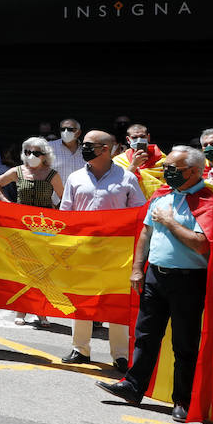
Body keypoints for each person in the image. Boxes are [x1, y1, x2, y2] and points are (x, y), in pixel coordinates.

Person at [97, 146, 213, 422]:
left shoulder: (207, 200)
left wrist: (170, 222)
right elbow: (145, 233)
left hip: (188, 280)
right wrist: (137, 269)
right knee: (145, 335)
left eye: (173, 168)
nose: (167, 172)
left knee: (184, 342)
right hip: (155, 275)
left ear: (193, 171)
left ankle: (182, 399)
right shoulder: (162, 194)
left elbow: (201, 244)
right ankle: (133, 385)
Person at [59, 130, 145, 370]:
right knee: (81, 300)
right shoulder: (75, 178)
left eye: (88, 145)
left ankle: (120, 355)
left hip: (116, 253)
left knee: (116, 302)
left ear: (105, 149)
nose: (83, 148)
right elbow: (66, 213)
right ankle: (80, 349)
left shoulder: (128, 179)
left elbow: (138, 214)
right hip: (82, 250)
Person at [0, 137, 64, 326]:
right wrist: (8, 204)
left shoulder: (52, 174)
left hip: (44, 229)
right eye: (28, 152)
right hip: (21, 226)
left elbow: (64, 198)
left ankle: (41, 312)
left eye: (36, 153)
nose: (31, 156)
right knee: (24, 269)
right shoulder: (17, 171)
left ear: (45, 156)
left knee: (43, 270)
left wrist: (54, 213)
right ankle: (21, 311)